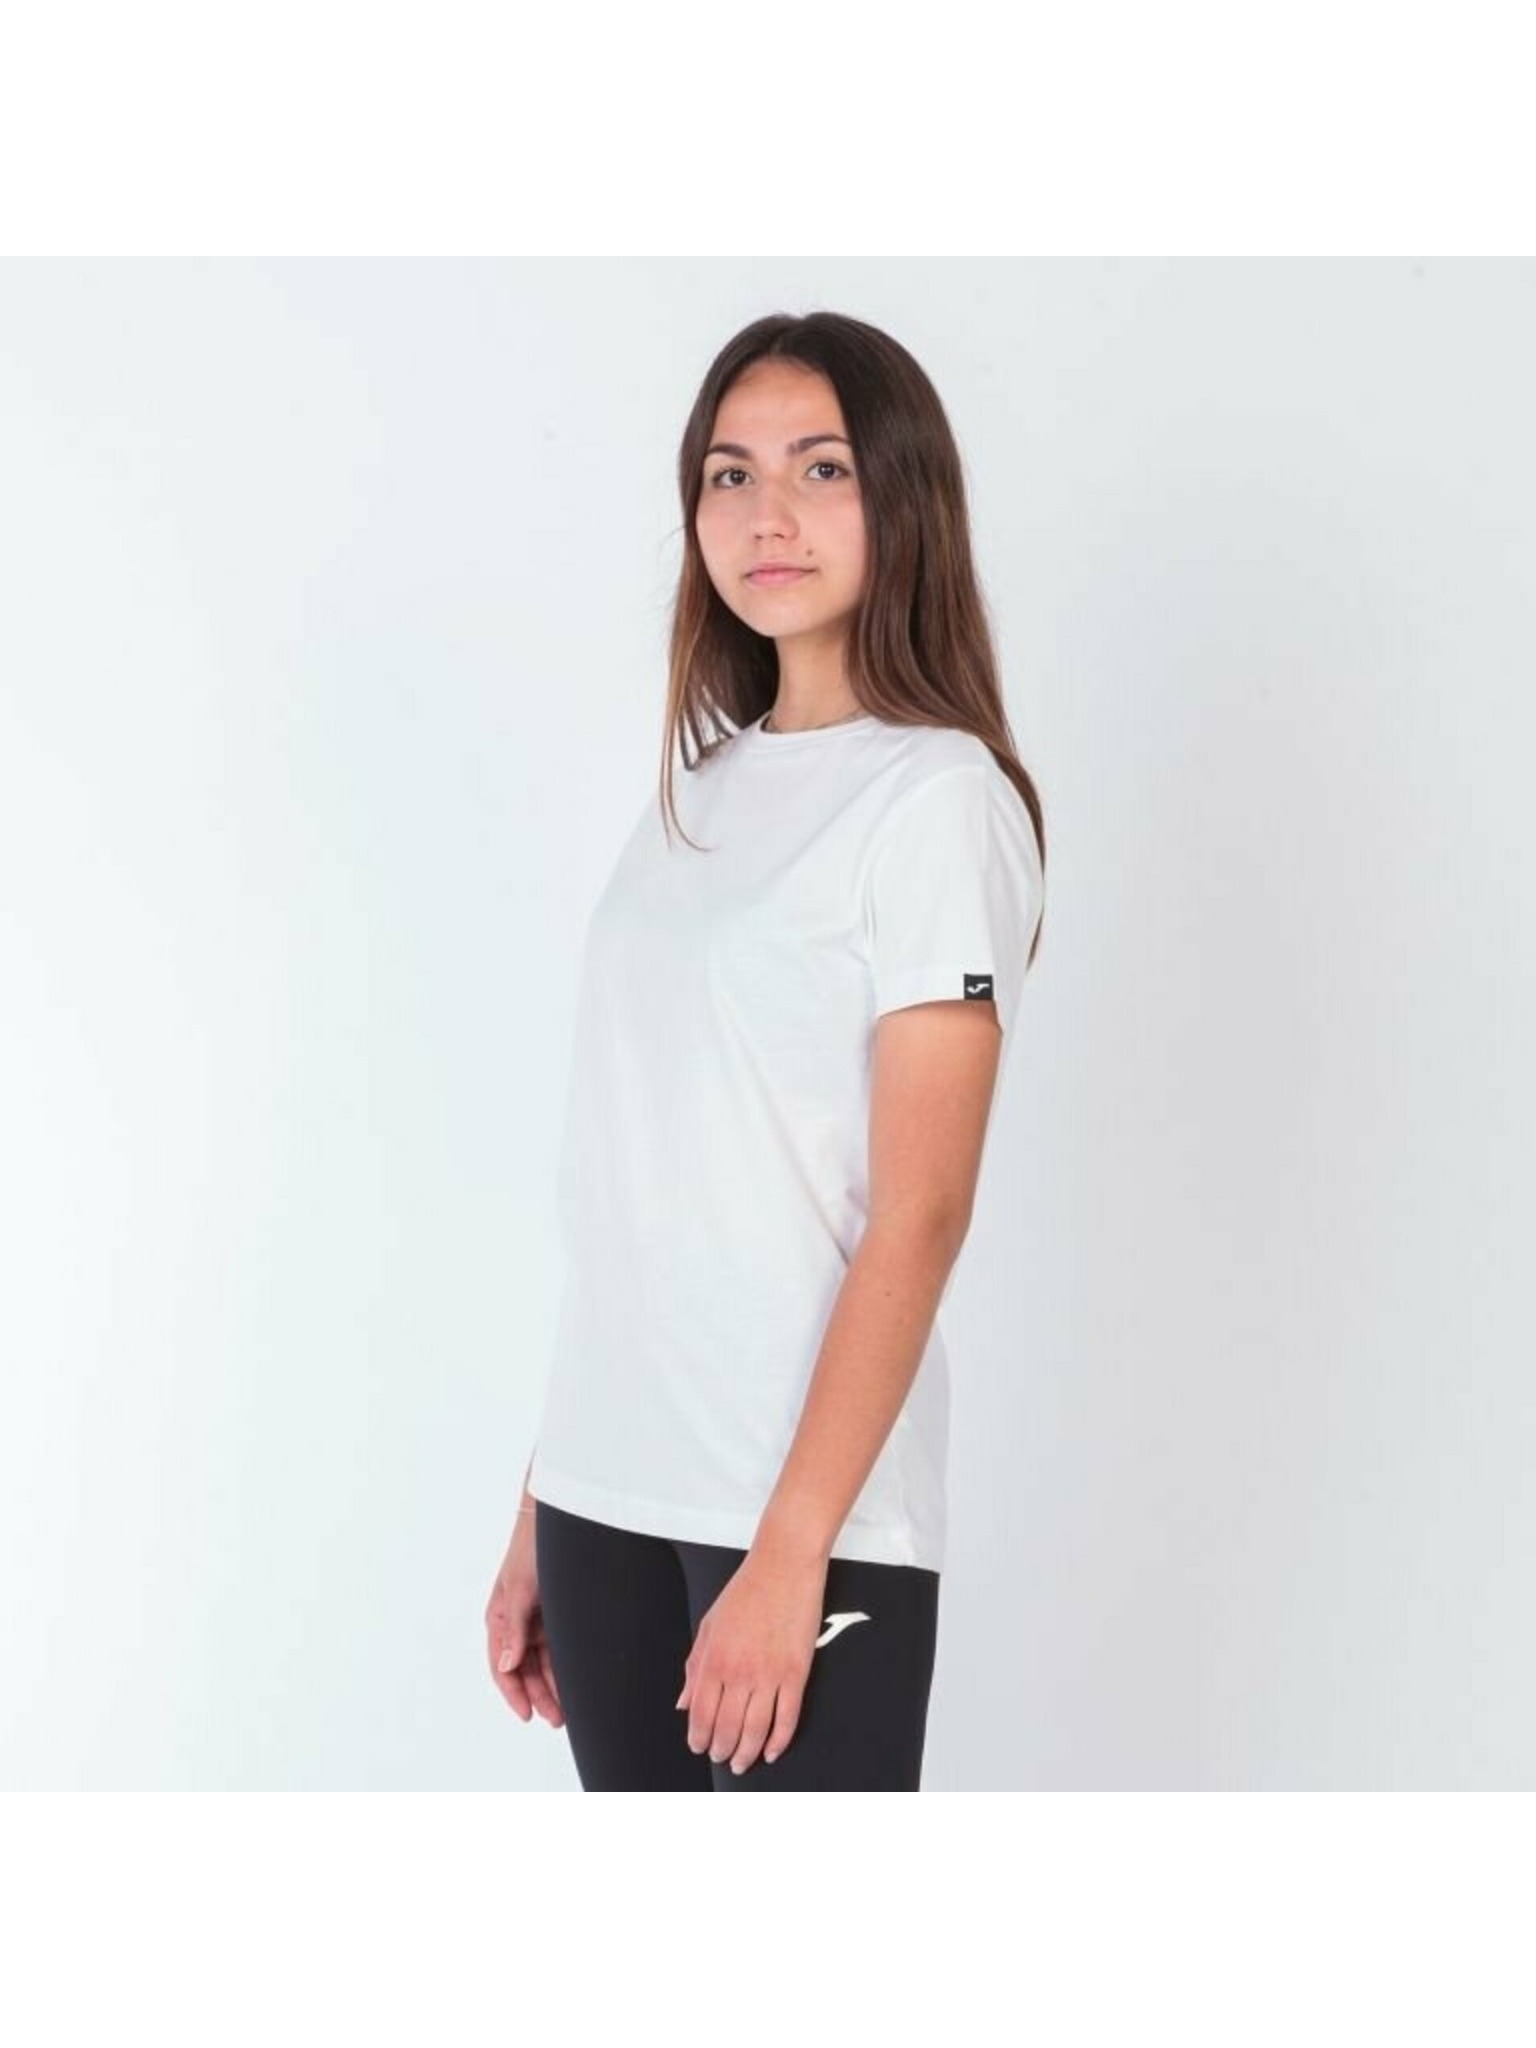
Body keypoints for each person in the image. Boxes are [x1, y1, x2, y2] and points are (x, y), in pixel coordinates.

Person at [484, 309, 1047, 1791]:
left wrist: (793, 1551)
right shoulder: (699, 792)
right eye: (728, 475)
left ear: (903, 497)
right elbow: (634, 1182)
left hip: (799, 1518)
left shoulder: (935, 801)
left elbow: (921, 1215)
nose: (765, 514)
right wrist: (545, 1499)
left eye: (821, 468)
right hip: (608, 1492)